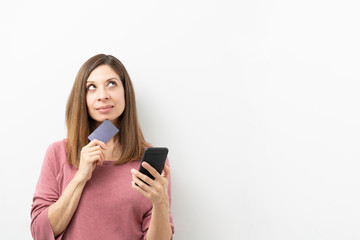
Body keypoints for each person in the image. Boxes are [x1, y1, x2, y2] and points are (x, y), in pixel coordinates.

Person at [30, 54, 174, 240]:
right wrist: (80, 177)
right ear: (82, 98)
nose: (103, 95)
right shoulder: (58, 153)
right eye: (92, 87)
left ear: (125, 92)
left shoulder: (146, 162)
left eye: (112, 84)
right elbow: (40, 233)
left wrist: (160, 202)